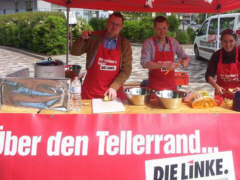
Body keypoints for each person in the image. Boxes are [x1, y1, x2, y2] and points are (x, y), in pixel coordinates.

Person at [71, 12, 132, 100]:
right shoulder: (94, 36)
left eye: (117, 25)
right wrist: (82, 39)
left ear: (121, 27)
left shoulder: (124, 44)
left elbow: (126, 70)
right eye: (112, 23)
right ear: (107, 23)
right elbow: (74, 52)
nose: (114, 27)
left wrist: (114, 87)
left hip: (113, 92)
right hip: (91, 90)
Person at [140, 16, 190, 91]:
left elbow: (185, 57)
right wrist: (164, 65)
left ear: (167, 27)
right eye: (159, 29)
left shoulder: (173, 42)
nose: (162, 31)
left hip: (171, 87)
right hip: (154, 87)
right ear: (154, 28)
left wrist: (185, 61)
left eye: (164, 28)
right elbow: (144, 63)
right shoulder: (148, 43)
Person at [205, 29, 240, 98]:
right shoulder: (216, 55)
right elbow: (209, 75)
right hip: (221, 93)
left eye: (231, 41)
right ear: (221, 42)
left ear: (235, 41)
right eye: (225, 41)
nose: (228, 44)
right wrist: (216, 86)